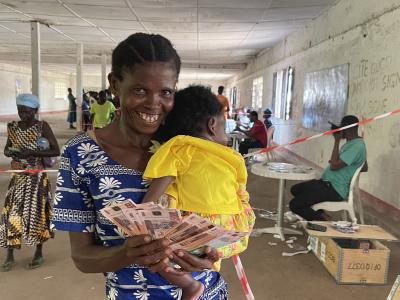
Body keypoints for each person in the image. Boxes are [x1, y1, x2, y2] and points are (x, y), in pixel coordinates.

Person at [51, 33, 228, 300]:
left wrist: (211, 254)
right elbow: (82, 257)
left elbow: (218, 211)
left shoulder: (186, 145)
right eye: (140, 90)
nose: (153, 104)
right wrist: (127, 252)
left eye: (165, 92)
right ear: (114, 84)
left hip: (208, 293)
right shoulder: (81, 155)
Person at [142, 85, 255, 299]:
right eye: (224, 126)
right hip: (229, 228)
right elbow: (241, 192)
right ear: (212, 124)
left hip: (192, 228)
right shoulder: (231, 156)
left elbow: (155, 193)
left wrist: (143, 218)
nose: (226, 134)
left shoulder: (180, 148)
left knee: (159, 254)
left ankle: (190, 285)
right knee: (206, 252)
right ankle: (207, 268)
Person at [0, 94, 60, 272]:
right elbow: (6, 149)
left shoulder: (42, 126)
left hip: (36, 179)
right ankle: (10, 253)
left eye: (26, 112)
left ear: (35, 111)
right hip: (18, 178)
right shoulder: (13, 127)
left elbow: (55, 149)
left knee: (36, 216)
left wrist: (31, 152)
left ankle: (38, 252)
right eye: (20, 111)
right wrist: (14, 154)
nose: (22, 115)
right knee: (12, 215)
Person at [289, 115, 368, 221]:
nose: (339, 130)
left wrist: (336, 141)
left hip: (335, 189)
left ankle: (324, 223)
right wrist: (348, 166)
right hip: (326, 183)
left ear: (348, 128)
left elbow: (335, 166)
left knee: (294, 205)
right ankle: (321, 214)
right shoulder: (353, 143)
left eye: (341, 128)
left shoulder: (356, 146)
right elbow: (364, 166)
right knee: (295, 189)